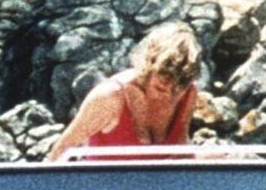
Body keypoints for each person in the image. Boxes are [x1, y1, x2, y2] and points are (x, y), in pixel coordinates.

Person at [45, 21, 203, 161]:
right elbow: (62, 150)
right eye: (165, 73)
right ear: (150, 60)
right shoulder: (110, 96)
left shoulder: (187, 94)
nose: (170, 85)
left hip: (160, 189)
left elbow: (182, 153)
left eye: (181, 79)